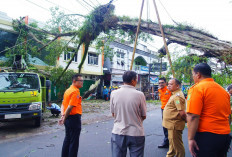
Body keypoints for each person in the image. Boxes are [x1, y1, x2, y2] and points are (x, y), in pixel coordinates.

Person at [187, 63, 231, 157]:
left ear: (198, 75)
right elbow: (228, 116)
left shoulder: (197, 88)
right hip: (224, 135)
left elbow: (193, 116)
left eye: (193, 75)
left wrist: (190, 139)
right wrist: (225, 138)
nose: (193, 77)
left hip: (207, 136)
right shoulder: (223, 91)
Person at [110, 70, 147, 157]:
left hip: (118, 131)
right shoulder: (140, 95)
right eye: (136, 79)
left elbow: (113, 114)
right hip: (136, 133)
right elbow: (143, 115)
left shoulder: (114, 93)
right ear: (133, 80)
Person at [59, 74, 84, 157]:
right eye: (80, 81)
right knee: (74, 142)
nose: (82, 82)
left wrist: (63, 116)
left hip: (68, 118)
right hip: (74, 118)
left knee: (68, 139)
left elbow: (63, 105)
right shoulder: (75, 91)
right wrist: (64, 118)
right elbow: (69, 107)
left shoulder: (68, 90)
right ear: (74, 81)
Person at [163, 78, 186, 157]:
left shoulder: (177, 97)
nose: (168, 86)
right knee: (172, 143)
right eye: (168, 84)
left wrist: (187, 121)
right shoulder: (174, 94)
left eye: (171, 84)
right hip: (171, 125)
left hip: (174, 125)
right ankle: (170, 155)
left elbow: (182, 113)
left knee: (177, 145)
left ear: (177, 86)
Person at [158, 77, 172, 148]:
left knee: (170, 126)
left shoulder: (169, 90)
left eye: (162, 82)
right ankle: (167, 141)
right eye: (159, 83)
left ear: (165, 83)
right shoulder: (159, 90)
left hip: (169, 110)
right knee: (165, 125)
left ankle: (171, 142)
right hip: (163, 109)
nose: (161, 84)